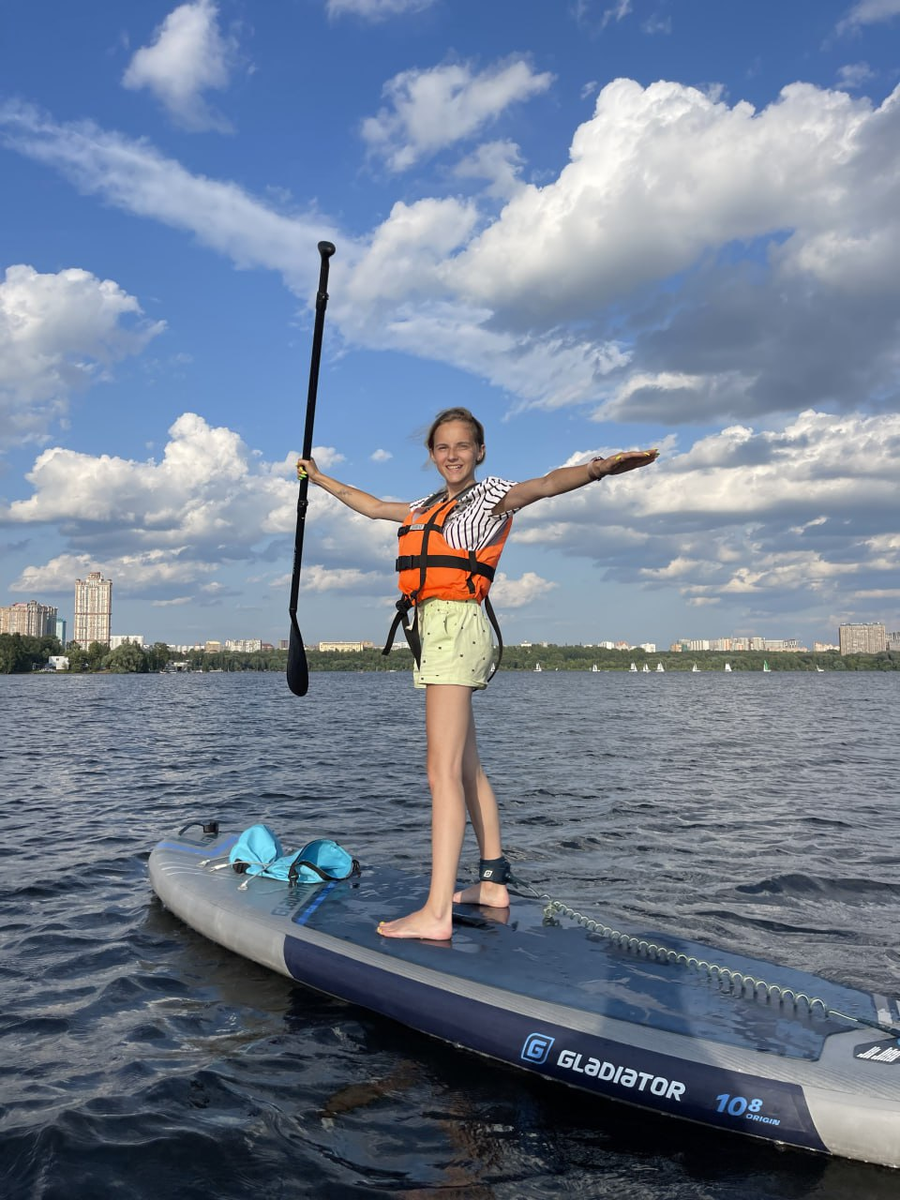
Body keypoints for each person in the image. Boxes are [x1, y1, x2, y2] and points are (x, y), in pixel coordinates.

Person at [296, 407, 658, 941]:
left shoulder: (488, 497)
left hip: (456, 628)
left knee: (439, 772)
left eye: (462, 446)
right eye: (442, 447)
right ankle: (491, 883)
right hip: (435, 630)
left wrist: (597, 469)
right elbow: (370, 505)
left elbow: (544, 485)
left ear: (480, 451)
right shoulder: (422, 506)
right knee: (466, 769)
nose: (452, 455)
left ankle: (436, 911)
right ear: (431, 455)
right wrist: (319, 477)